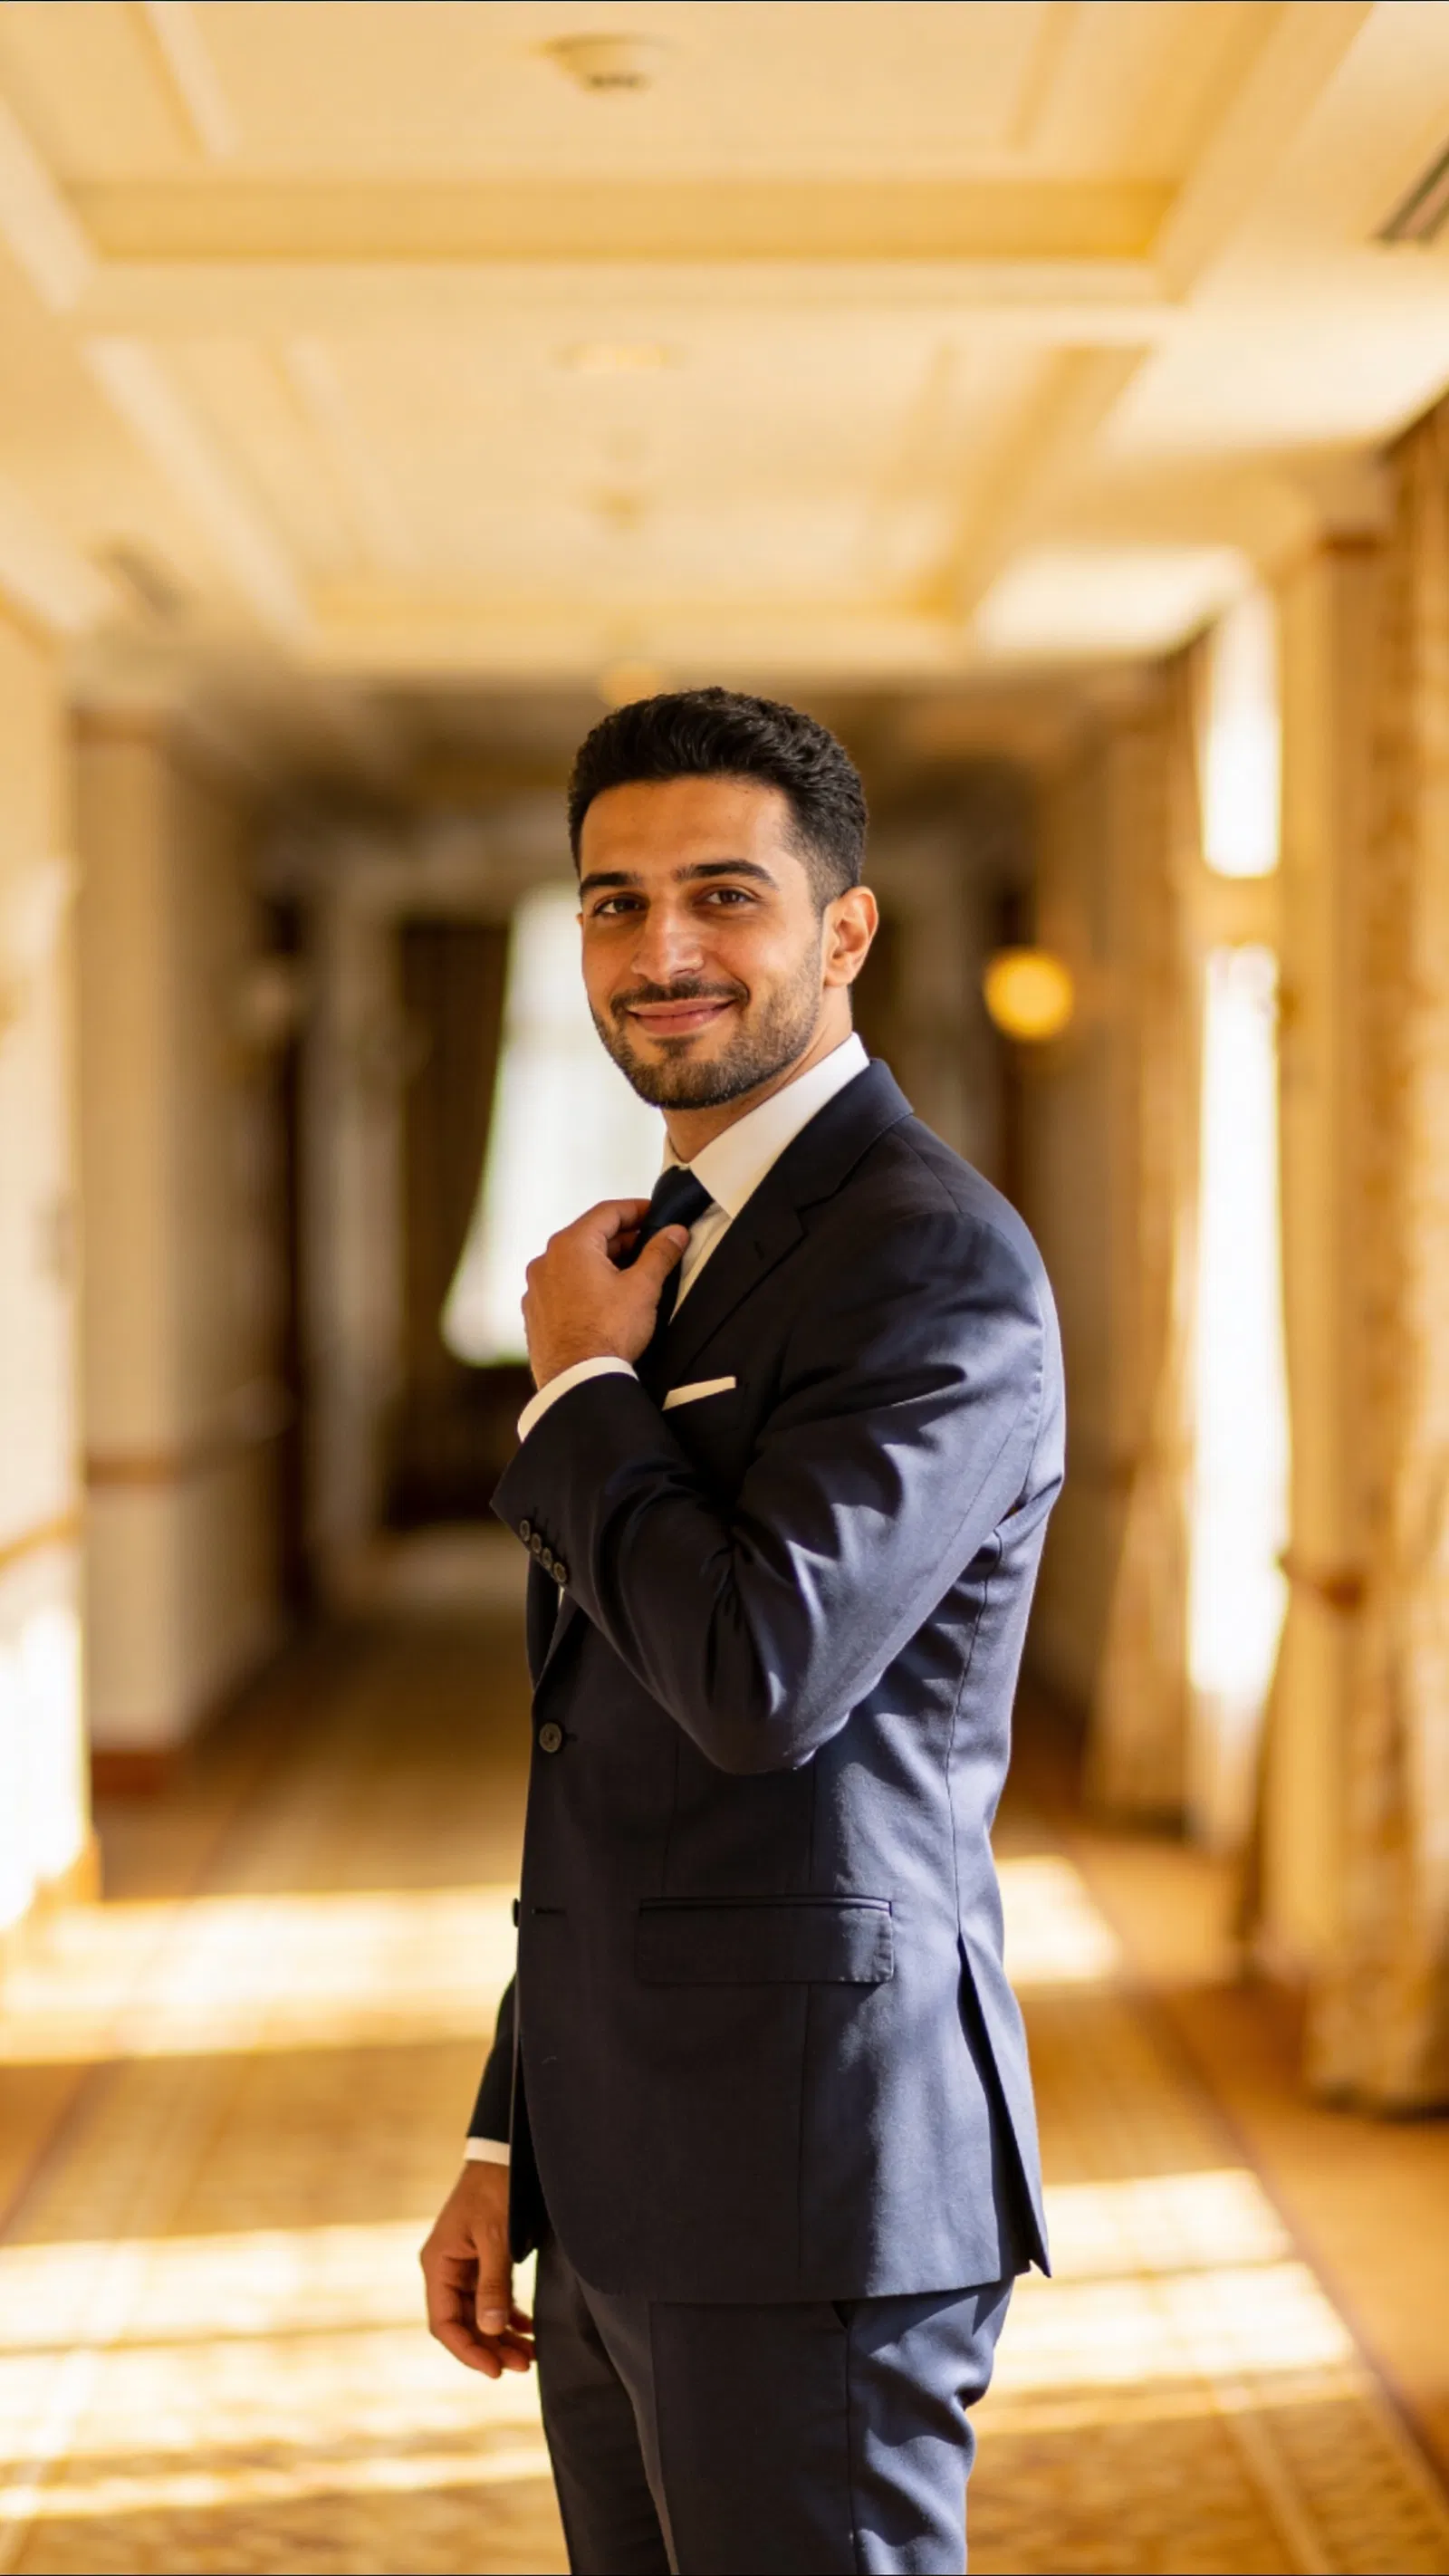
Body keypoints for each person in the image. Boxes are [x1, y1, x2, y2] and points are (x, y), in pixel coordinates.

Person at [421, 687, 1064, 2575]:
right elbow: (608, 1769)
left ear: (841, 929)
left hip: (811, 2190)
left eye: (723, 894)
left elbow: (752, 1681)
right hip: (624, 2167)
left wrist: (576, 1404)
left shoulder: (923, 1259)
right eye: (614, 905)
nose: (664, 950)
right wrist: (502, 2140)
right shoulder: (672, 1242)